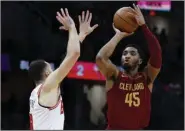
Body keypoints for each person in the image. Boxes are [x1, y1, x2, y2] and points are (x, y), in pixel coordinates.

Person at [28, 8, 98, 130]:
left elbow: (66, 61)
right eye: (51, 69)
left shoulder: (37, 92)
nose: (54, 71)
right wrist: (72, 27)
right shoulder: (48, 87)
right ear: (47, 73)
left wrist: (80, 36)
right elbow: (74, 54)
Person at [95, 4, 162, 130]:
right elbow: (100, 58)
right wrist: (118, 36)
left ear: (140, 60)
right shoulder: (114, 75)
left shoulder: (147, 77)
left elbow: (157, 55)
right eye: (124, 53)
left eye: (132, 53)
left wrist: (144, 27)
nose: (127, 56)